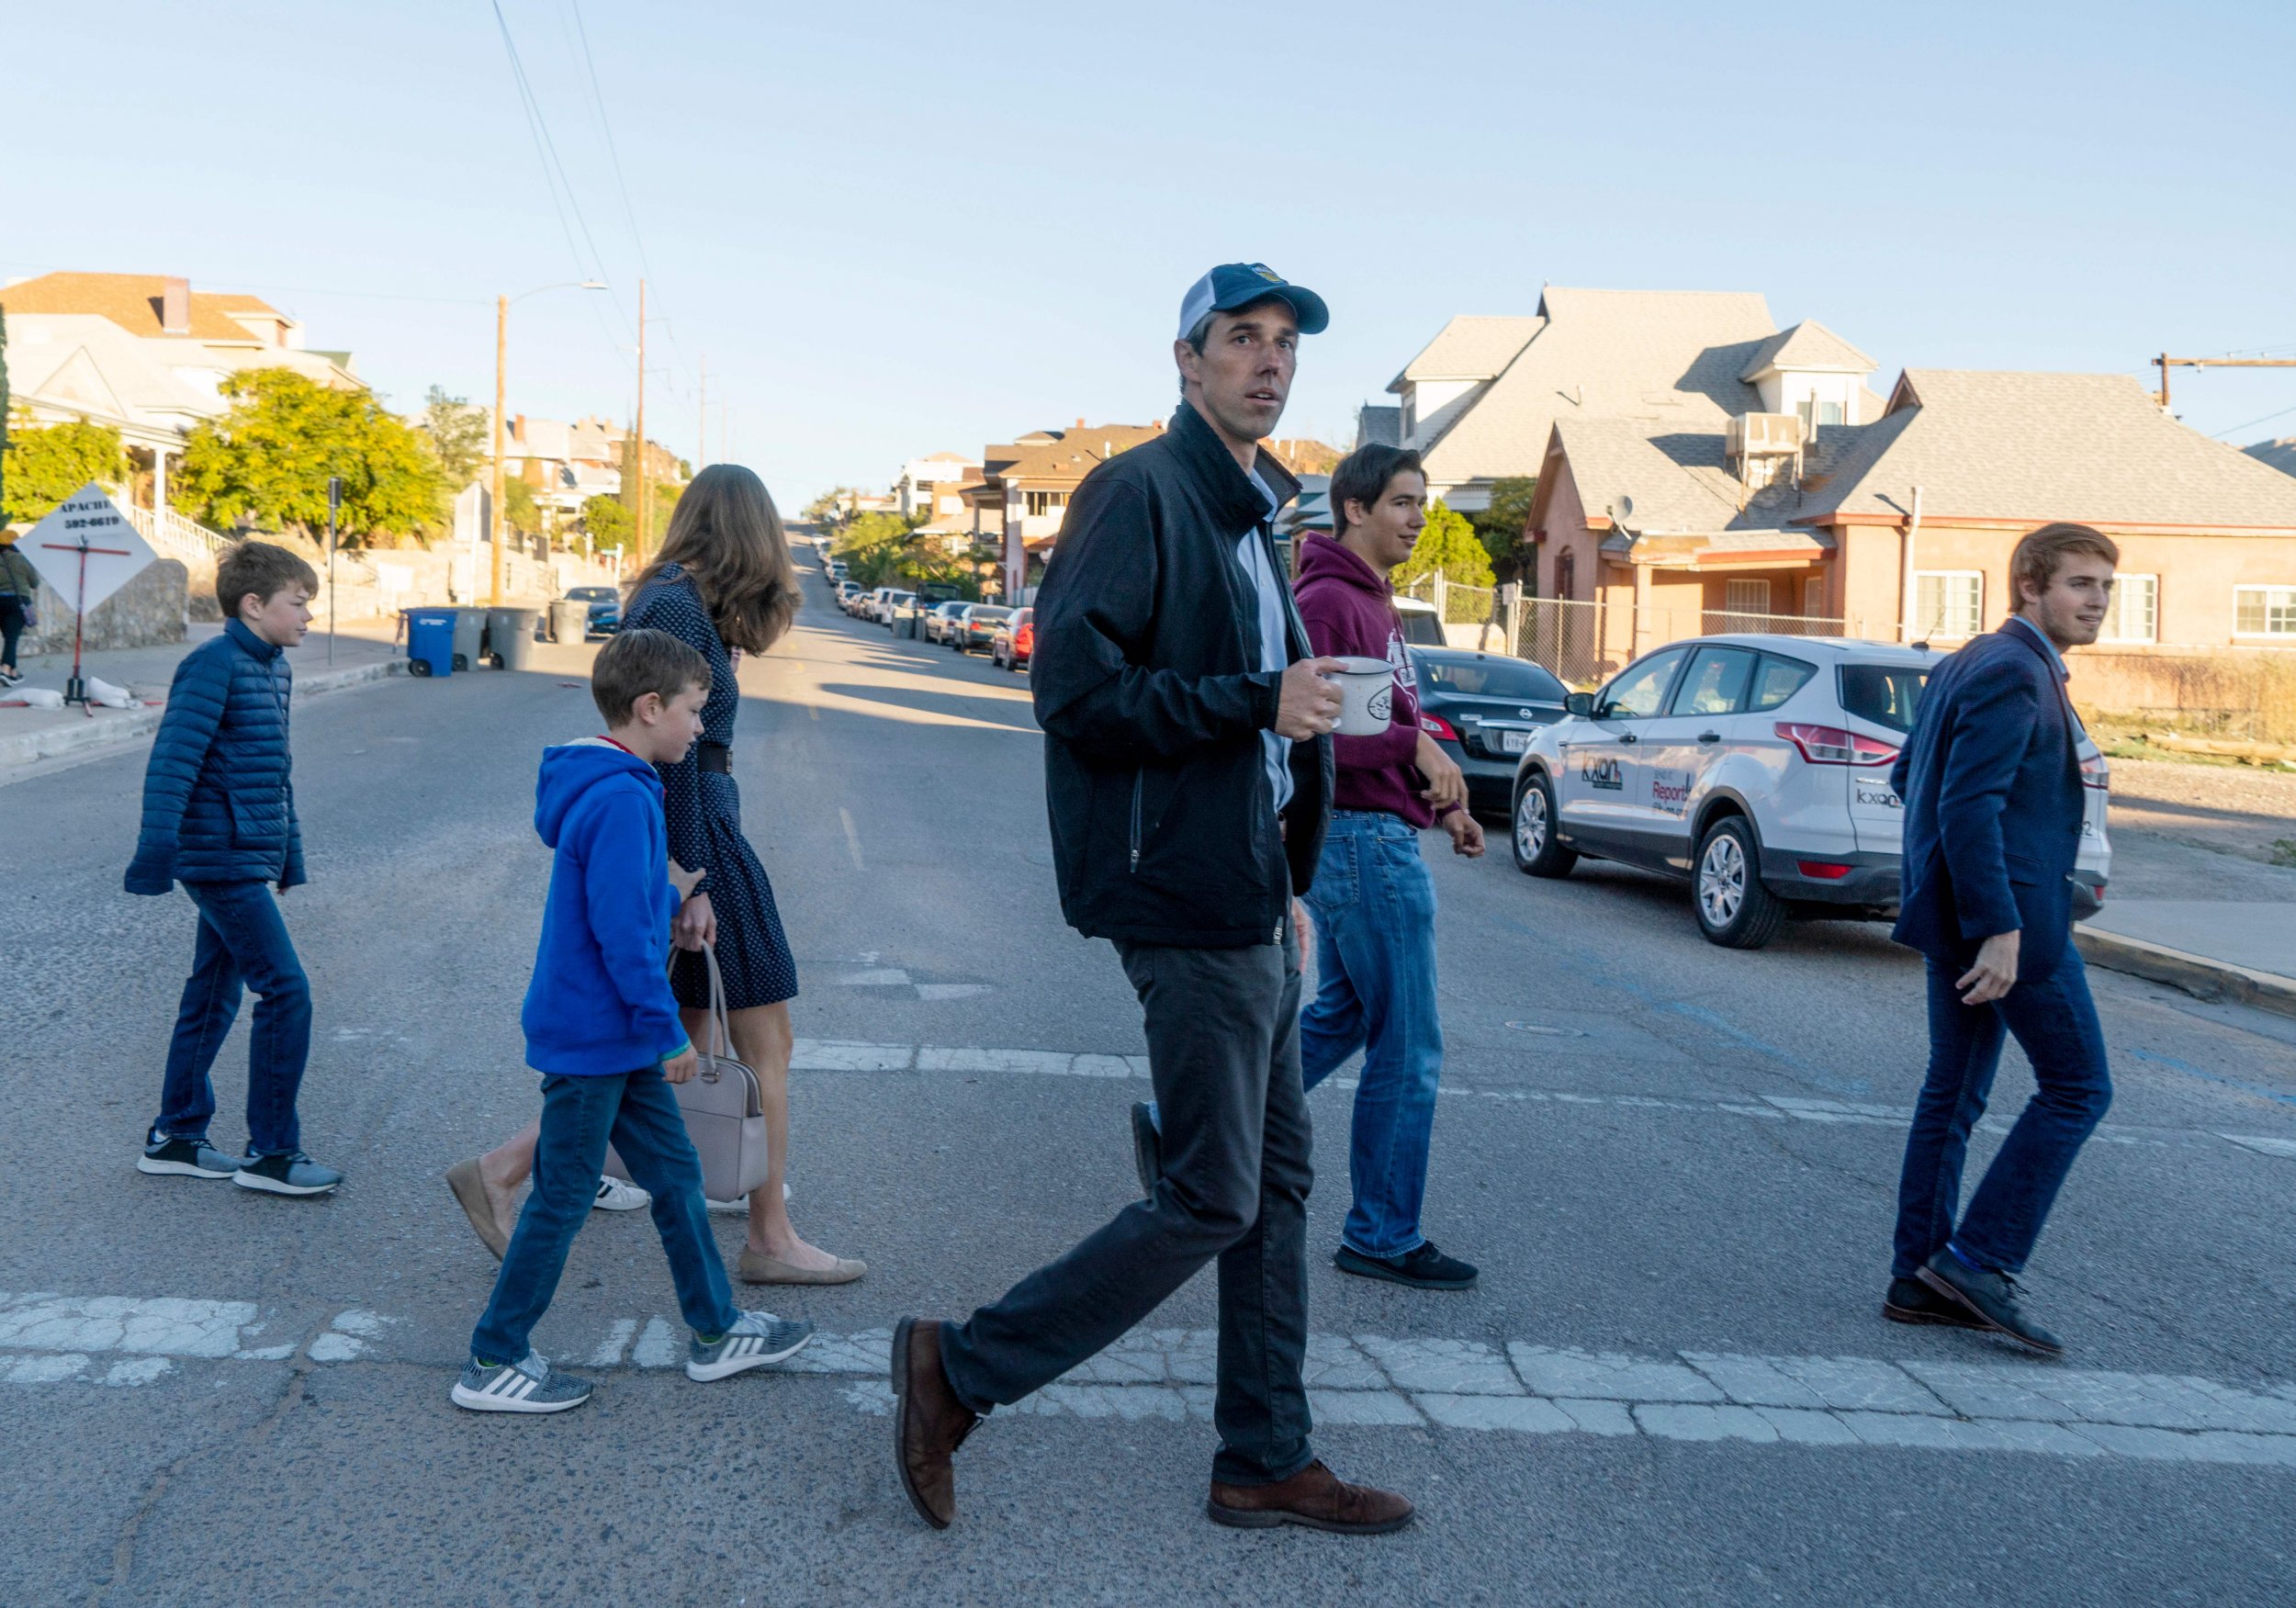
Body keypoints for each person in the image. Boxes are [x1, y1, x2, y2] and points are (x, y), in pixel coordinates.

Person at [892, 264, 1413, 1536]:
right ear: (1187, 361)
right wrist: (1251, 702)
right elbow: (1070, 693)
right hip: (1177, 891)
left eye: (1286, 343)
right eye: (1243, 338)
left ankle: (1264, 1456)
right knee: (1212, 1191)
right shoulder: (1141, 493)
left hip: (1247, 894)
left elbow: (1272, 723)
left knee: (1275, 1185)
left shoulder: (1250, 514)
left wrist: (1293, 874)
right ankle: (958, 1369)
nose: (1270, 361)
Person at [448, 465, 856, 1284]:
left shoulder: (679, 599)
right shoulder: (674, 603)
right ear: (748, 529)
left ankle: (503, 1168)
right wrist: (688, 876)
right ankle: (770, 1238)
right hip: (701, 836)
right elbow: (667, 755)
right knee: (761, 1038)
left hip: (703, 827)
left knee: (670, 1048)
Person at [453, 628, 812, 1413]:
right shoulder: (619, 796)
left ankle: (716, 1330)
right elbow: (619, 933)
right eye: (692, 712)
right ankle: (493, 1356)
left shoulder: (623, 783)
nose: (699, 728)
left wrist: (675, 900)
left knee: (677, 1176)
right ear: (650, 708)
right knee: (564, 1194)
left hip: (615, 1034)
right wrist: (667, 1033)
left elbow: (631, 908)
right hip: (600, 1036)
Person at [1884, 522, 2120, 1357]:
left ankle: (1919, 1276)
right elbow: (1965, 804)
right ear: (2029, 584)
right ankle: (1979, 1258)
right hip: (2010, 926)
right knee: (2079, 1087)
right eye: (2080, 585)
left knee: (1953, 1093)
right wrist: (2002, 929)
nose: (2097, 602)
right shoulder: (2018, 673)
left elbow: (1908, 774)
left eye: (2104, 588)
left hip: (1963, 918)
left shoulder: (1967, 661)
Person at [1285, 444, 1485, 1289]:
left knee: (1347, 1014)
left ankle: (1191, 1118)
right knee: (1409, 1043)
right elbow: (1322, 722)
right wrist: (1421, 749)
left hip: (1374, 829)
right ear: (1354, 508)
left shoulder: (1373, 599)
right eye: (1402, 502)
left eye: (1422, 503)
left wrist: (1446, 797)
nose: (1417, 519)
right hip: (1360, 838)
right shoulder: (1330, 598)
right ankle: (1381, 1232)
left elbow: (1387, 713)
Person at [125, 542, 342, 1197]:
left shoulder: (273, 667)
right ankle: (272, 1152)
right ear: (254, 604)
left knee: (214, 991)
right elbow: (173, 763)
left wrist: (288, 852)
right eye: (298, 603)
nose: (308, 616)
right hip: (216, 856)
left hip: (244, 850)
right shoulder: (212, 664)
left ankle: (177, 1135)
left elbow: (274, 773)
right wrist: (156, 854)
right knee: (286, 989)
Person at [0, 529, 38, 685]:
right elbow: (35, 583)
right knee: (12, 638)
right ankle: (4, 670)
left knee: (9, 638)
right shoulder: (22, 560)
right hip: (18, 602)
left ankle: (13, 673)